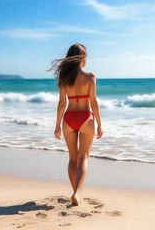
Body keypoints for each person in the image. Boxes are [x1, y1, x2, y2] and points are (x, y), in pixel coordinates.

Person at [49, 43, 103, 206]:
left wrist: (57, 124)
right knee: (83, 157)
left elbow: (61, 104)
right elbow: (93, 103)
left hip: (69, 119)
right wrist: (100, 124)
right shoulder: (90, 77)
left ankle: (75, 193)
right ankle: (77, 193)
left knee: (73, 158)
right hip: (86, 117)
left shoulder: (64, 79)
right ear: (82, 57)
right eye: (86, 55)